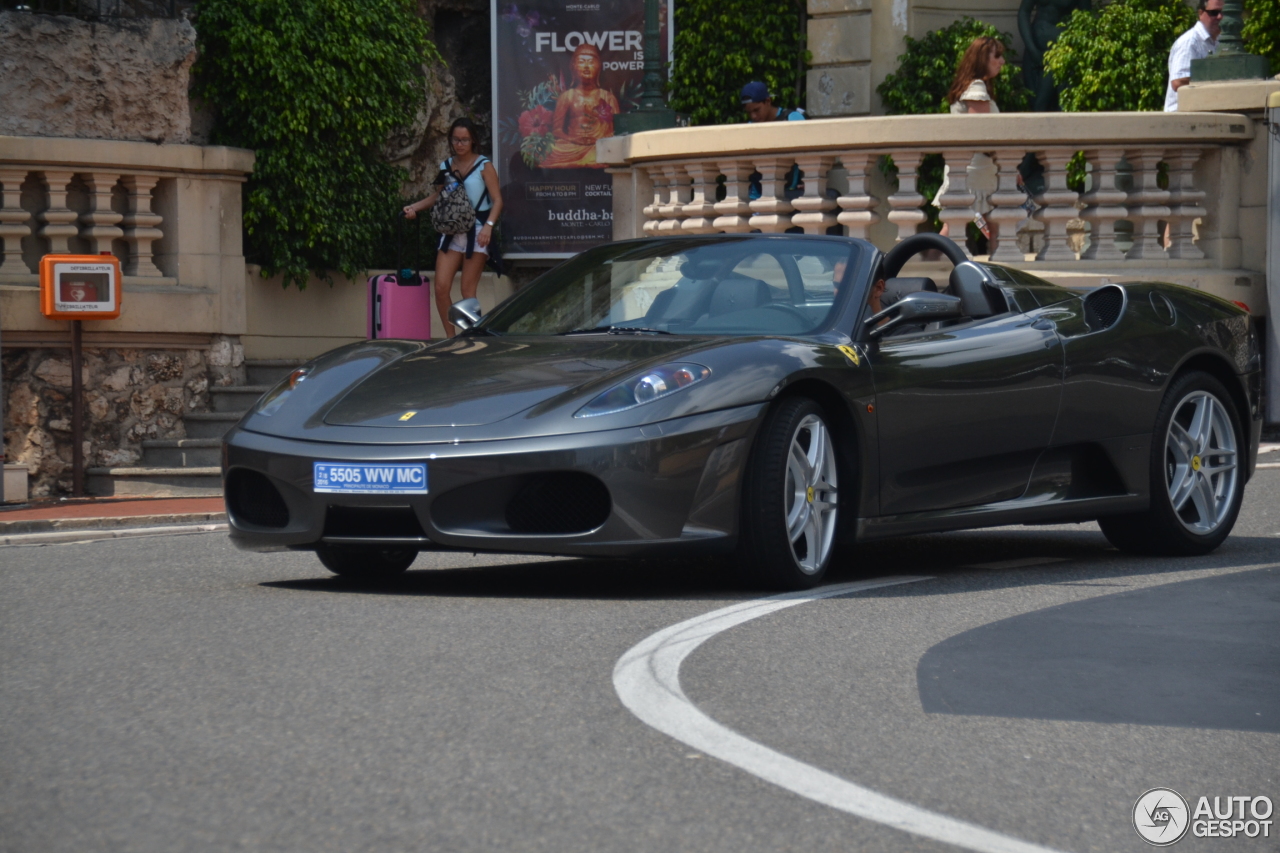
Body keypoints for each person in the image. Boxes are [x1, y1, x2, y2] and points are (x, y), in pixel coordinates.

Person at [403, 117, 504, 338]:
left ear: (473, 141)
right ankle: (451, 339)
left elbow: (497, 200)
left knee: (467, 290)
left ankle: (473, 339)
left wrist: (488, 226)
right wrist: (414, 207)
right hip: (451, 231)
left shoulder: (484, 165)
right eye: (456, 140)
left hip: (477, 230)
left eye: (464, 140)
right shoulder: (446, 166)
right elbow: (439, 196)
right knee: (440, 288)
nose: (460, 144)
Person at [932, 37, 1006, 250]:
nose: (1001, 62)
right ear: (983, 58)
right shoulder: (976, 87)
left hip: (973, 168)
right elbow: (981, 134)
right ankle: (928, 261)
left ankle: (927, 262)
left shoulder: (970, 85)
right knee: (959, 226)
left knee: (970, 224)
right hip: (977, 170)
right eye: (997, 56)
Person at [540, 43, 621, 169]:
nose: (587, 67)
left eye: (591, 62)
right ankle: (589, 159)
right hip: (572, 146)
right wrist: (573, 139)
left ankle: (592, 157)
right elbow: (557, 130)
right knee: (552, 149)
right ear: (573, 67)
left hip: (598, 146)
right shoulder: (567, 96)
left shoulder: (607, 97)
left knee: (613, 149)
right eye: (582, 62)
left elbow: (616, 130)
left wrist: (599, 139)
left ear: (599, 67)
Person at [1165, 0, 1222, 112]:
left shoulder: (1219, 42)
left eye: (1223, 12)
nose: (1220, 17)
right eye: (1214, 12)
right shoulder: (1190, 42)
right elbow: (1178, 82)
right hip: (1182, 118)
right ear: (1201, 13)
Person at [740, 81, 806, 123]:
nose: (753, 116)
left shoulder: (792, 118)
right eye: (749, 112)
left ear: (768, 101)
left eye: (757, 110)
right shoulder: (751, 126)